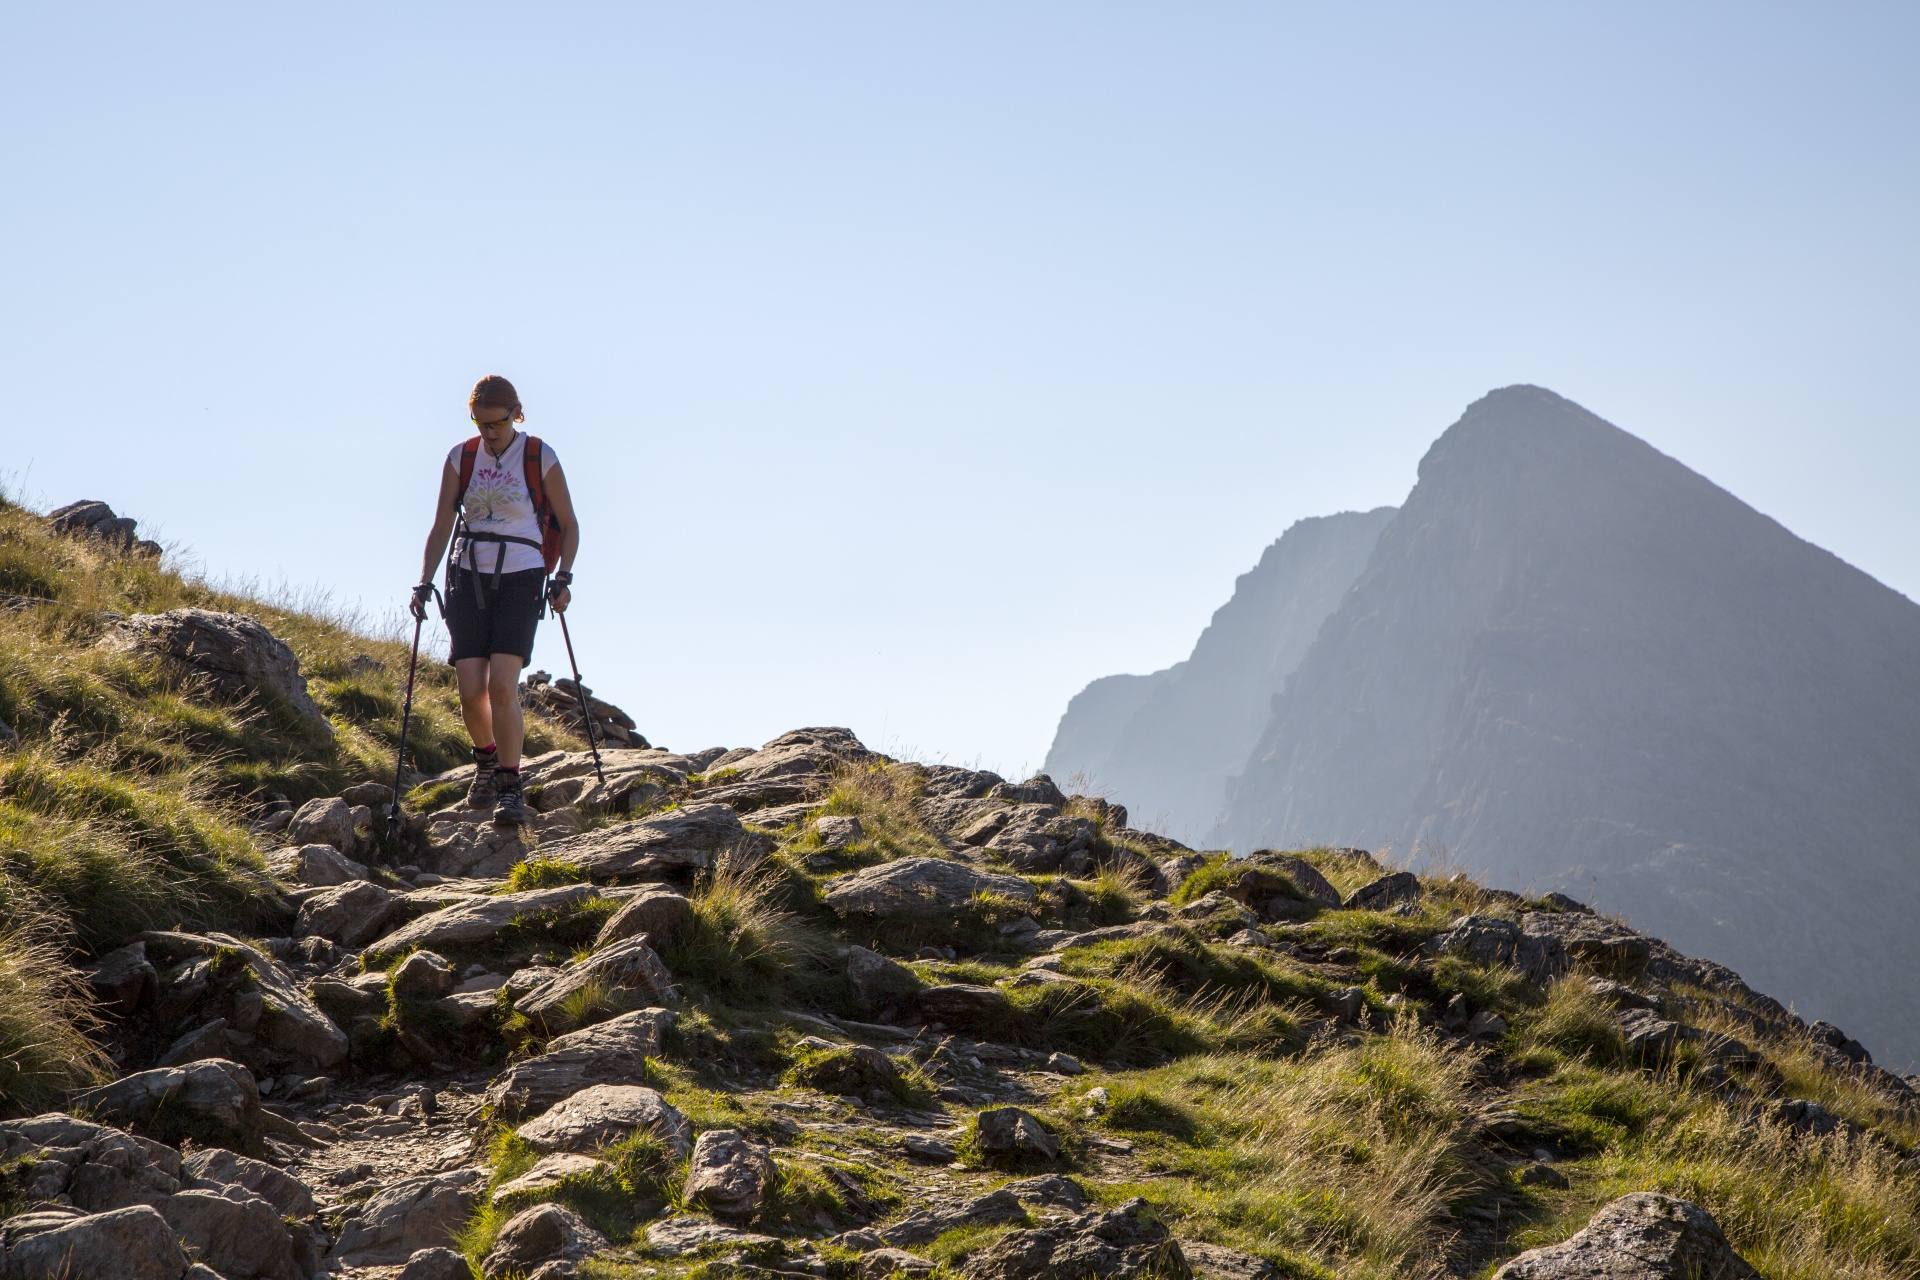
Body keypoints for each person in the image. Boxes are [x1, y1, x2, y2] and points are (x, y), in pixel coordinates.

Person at [411, 375, 579, 825]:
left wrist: (563, 577)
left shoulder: (539, 455)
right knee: (470, 692)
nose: (488, 433)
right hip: (467, 576)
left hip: (522, 576)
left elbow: (570, 523)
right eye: (480, 424)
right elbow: (441, 526)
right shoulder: (460, 457)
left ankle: (509, 784)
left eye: (496, 425)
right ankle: (484, 763)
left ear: (514, 414)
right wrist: (424, 581)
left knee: (503, 685)